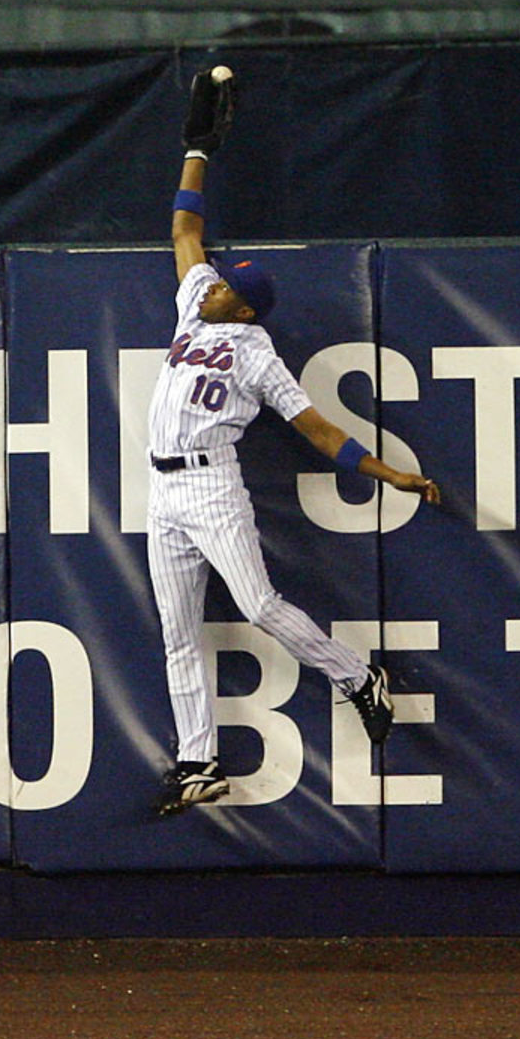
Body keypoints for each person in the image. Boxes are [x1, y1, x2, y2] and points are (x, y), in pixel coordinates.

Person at [148, 68, 440, 816]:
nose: (208, 282)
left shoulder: (254, 353)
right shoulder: (192, 307)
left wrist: (389, 473)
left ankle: (355, 676)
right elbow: (184, 227)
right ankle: (196, 764)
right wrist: (198, 148)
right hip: (161, 489)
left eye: (223, 286)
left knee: (258, 605)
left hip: (212, 486)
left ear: (243, 305)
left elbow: (318, 431)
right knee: (178, 635)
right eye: (213, 281)